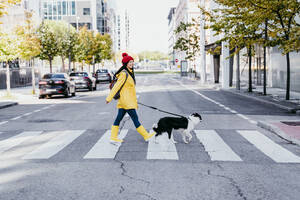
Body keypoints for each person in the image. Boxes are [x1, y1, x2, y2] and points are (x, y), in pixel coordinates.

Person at [106, 53, 155, 143]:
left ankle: (113, 137)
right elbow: (116, 86)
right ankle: (146, 135)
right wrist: (109, 98)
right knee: (135, 118)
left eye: (132, 62)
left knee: (118, 118)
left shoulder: (129, 72)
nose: (132, 64)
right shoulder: (124, 74)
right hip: (127, 102)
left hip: (124, 101)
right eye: (129, 62)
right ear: (125, 64)